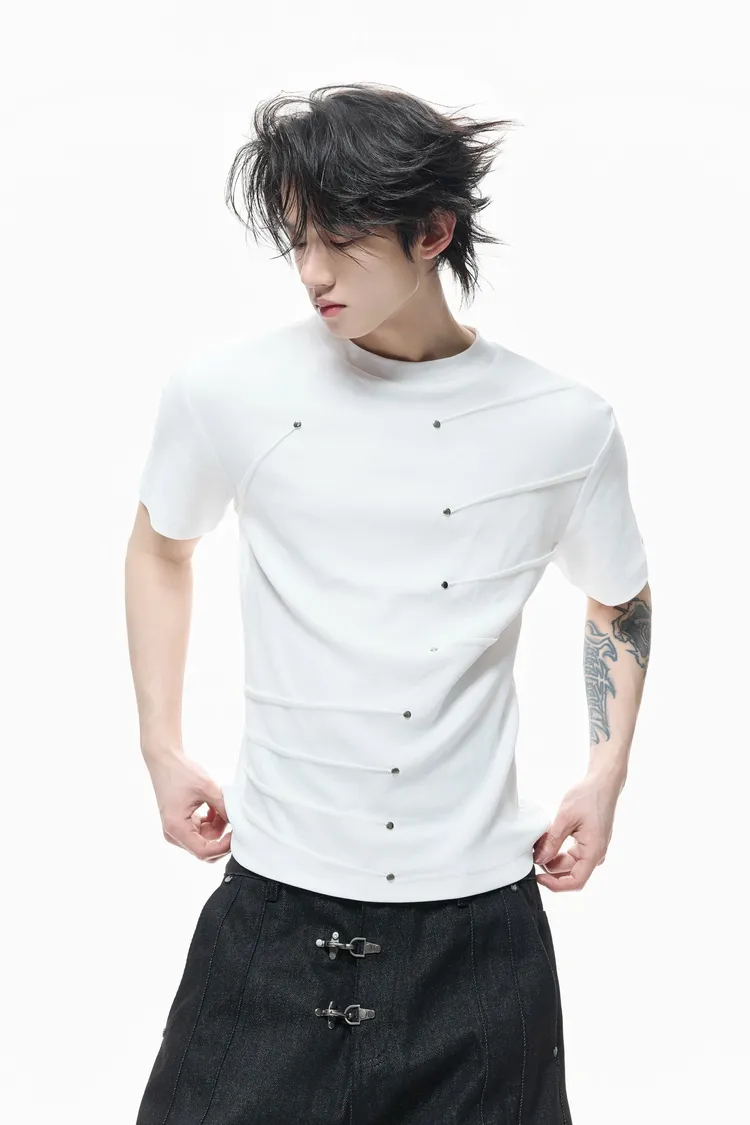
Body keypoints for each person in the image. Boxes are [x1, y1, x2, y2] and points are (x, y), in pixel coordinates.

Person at [126, 82, 651, 1125]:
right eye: (297, 241)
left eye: (340, 240)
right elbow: (160, 545)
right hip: (275, 915)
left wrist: (607, 773)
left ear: (433, 232)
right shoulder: (229, 393)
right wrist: (160, 743)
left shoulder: (563, 424)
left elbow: (618, 601)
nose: (311, 272)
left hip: (481, 936)